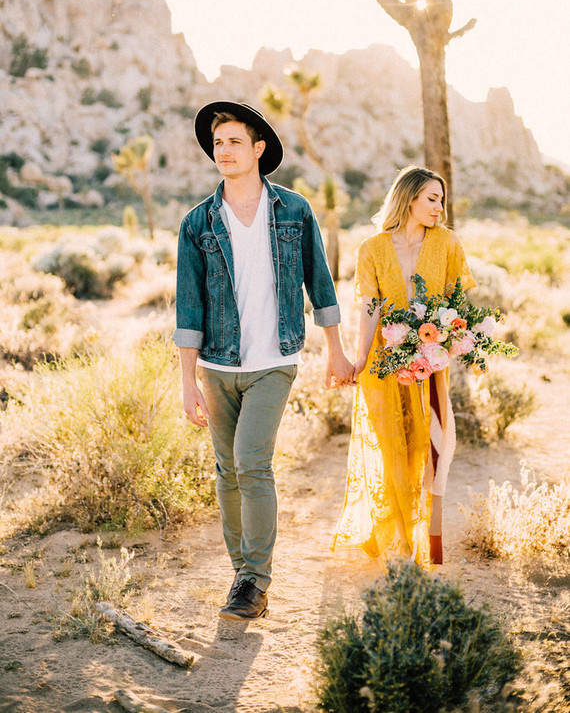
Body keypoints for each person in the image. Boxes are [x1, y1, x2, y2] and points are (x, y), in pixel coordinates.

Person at [174, 101, 353, 620]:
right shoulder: (197, 222)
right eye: (217, 143)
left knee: (251, 463)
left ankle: (255, 579)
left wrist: (336, 350)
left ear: (258, 149)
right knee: (226, 470)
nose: (223, 151)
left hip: (275, 359)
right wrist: (188, 381)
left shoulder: (294, 210)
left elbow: (320, 283)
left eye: (234, 141)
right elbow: (189, 307)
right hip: (217, 366)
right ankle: (242, 575)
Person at [332, 165, 476, 566]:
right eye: (432, 199)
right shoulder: (373, 248)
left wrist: (452, 338)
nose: (439, 207)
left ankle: (421, 536)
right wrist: (361, 357)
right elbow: (370, 309)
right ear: (409, 198)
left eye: (442, 200)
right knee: (392, 446)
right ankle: (400, 536)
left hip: (431, 364)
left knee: (427, 446)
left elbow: (458, 304)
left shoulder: (447, 243)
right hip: (385, 361)